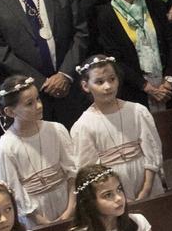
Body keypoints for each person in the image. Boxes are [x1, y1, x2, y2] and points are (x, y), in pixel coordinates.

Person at [71, 55, 165, 199]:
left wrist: (146, 188)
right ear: (85, 86)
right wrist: (114, 194)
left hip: (145, 180)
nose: (108, 86)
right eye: (99, 82)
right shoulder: (83, 125)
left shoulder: (137, 111)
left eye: (112, 79)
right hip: (111, 188)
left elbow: (152, 149)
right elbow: (88, 168)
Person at [0, 74, 76, 227]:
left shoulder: (56, 130)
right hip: (35, 215)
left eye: (38, 99)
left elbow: (72, 171)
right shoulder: (6, 148)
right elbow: (12, 191)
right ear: (10, 112)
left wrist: (70, 209)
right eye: (29, 103)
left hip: (67, 203)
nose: (39, 106)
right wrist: (39, 220)